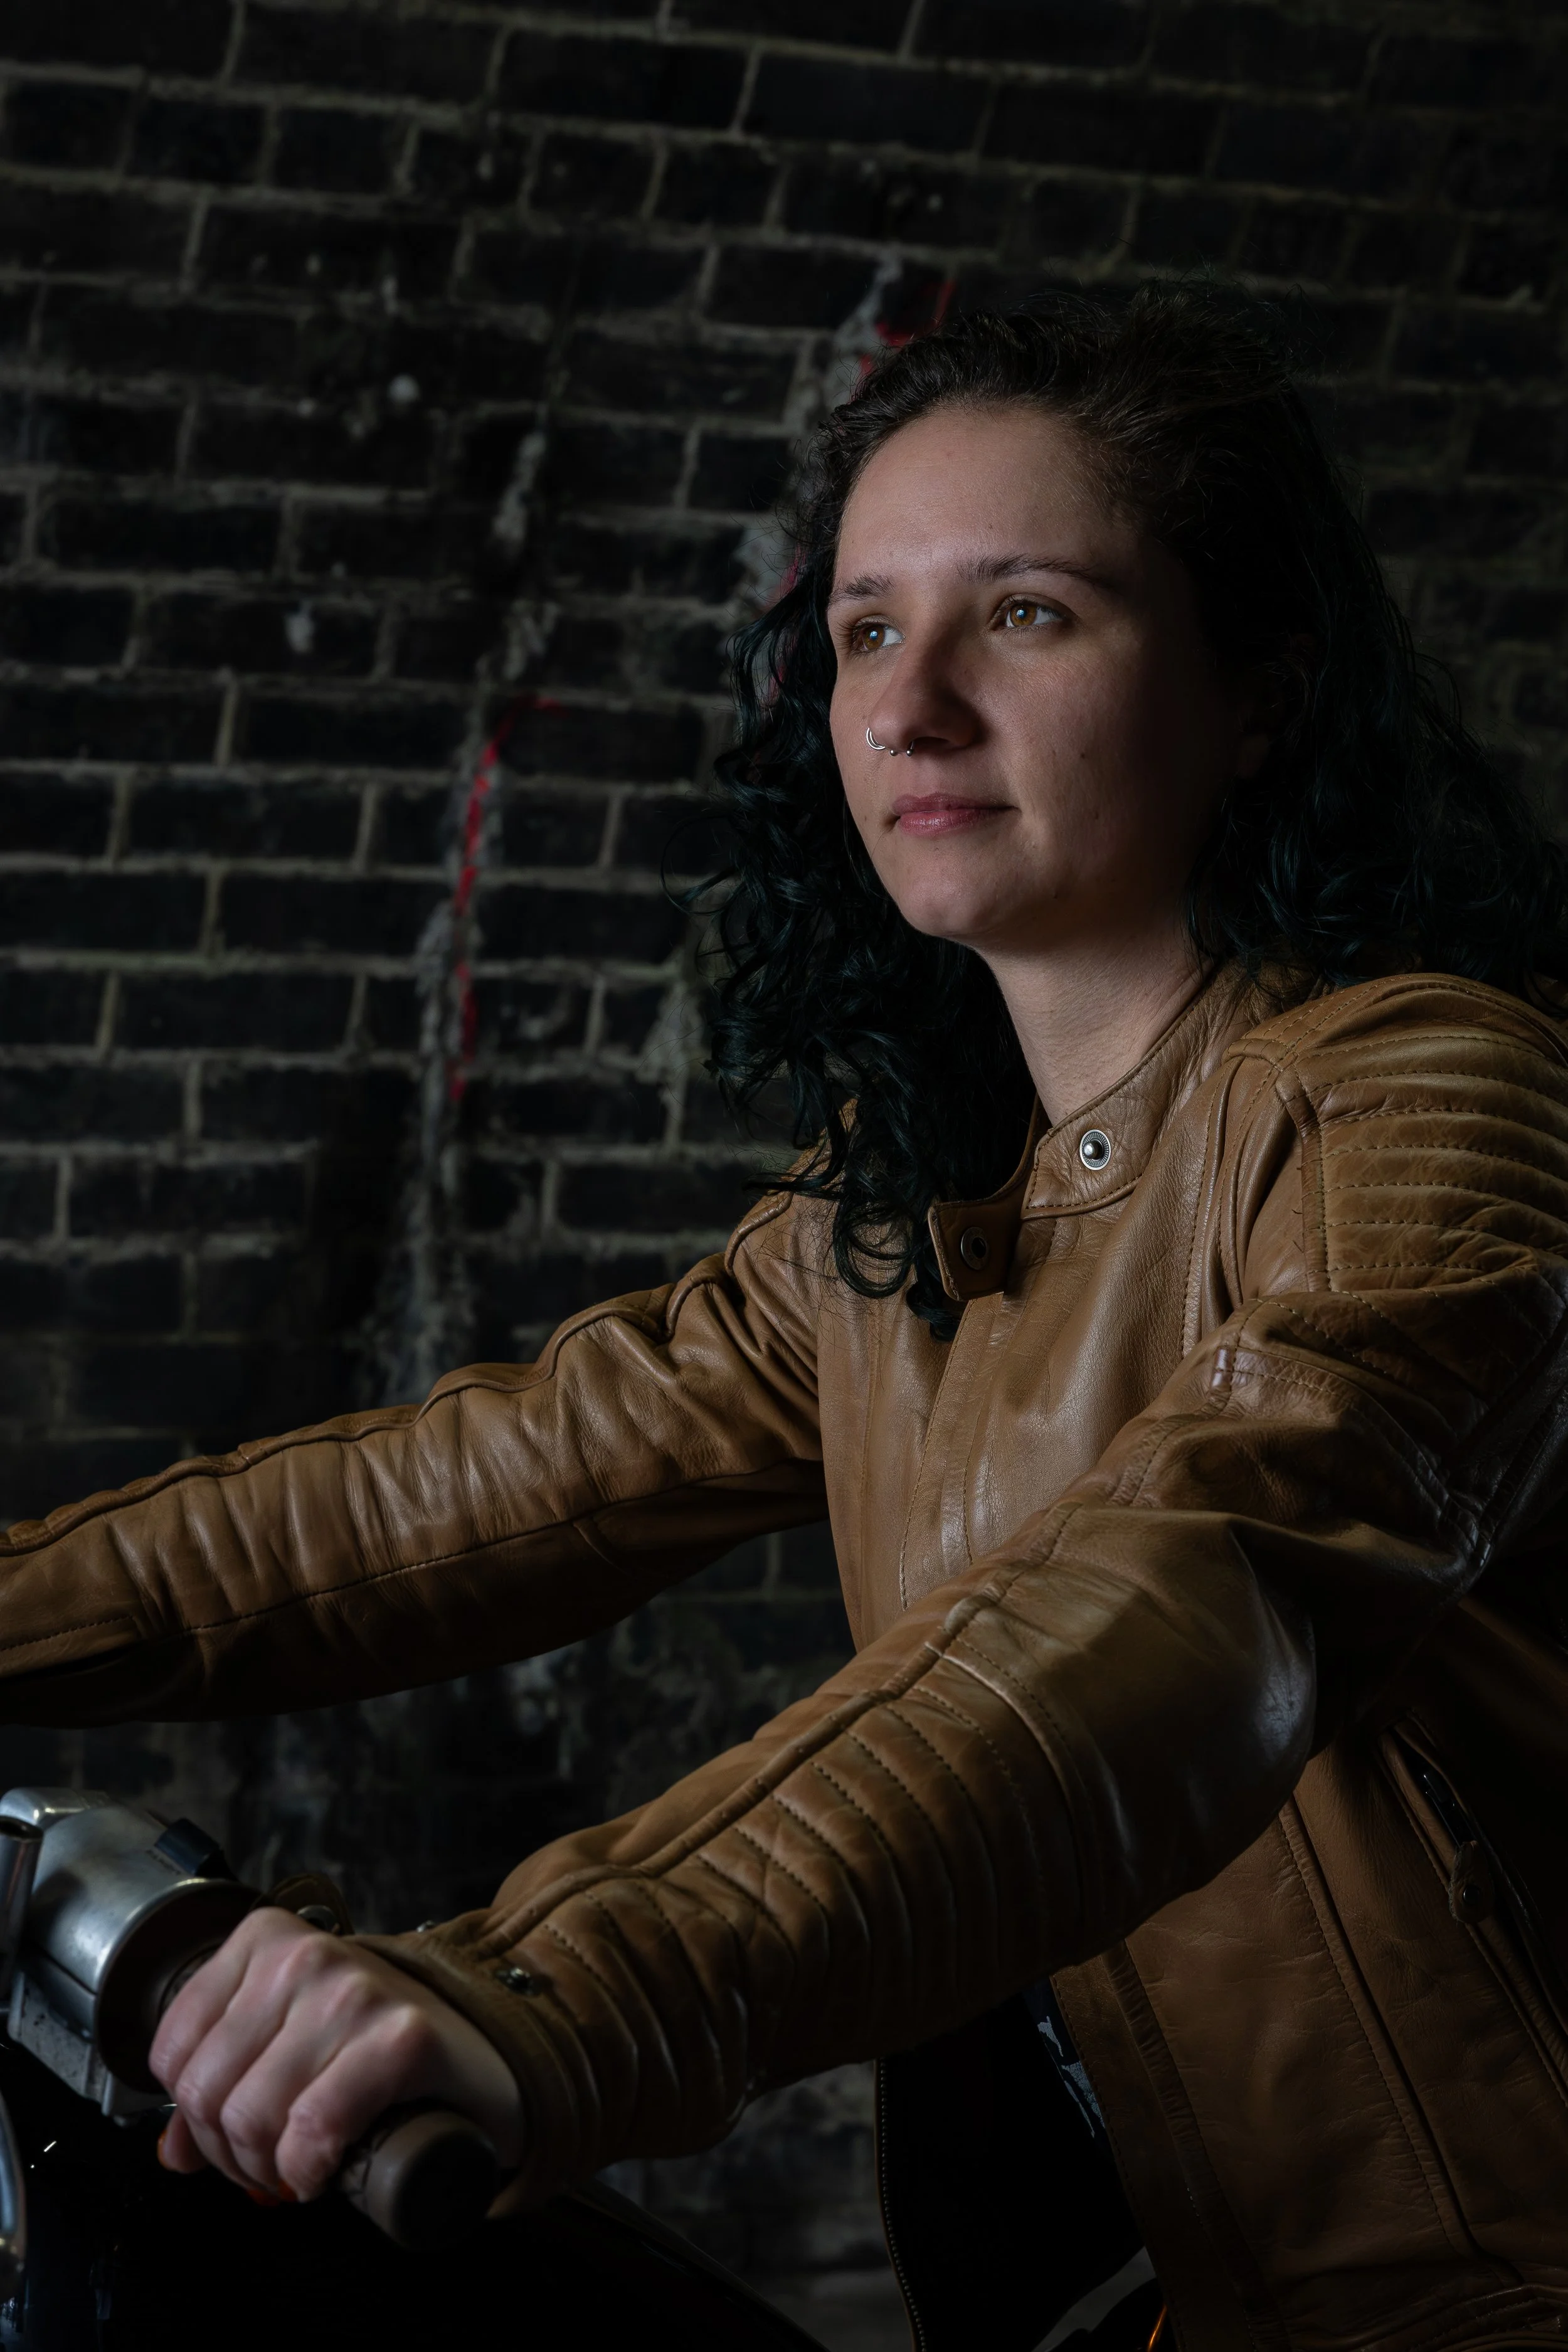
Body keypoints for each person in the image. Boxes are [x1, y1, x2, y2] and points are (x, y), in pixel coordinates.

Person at [3, 283, 1567, 2351]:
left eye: (1025, 614)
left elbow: (1207, 1595)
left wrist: (554, 1985)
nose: (910, 704)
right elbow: (458, 1494)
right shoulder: (909, 1212)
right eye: (862, 629)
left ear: (1256, 689)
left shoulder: (1424, 1106)